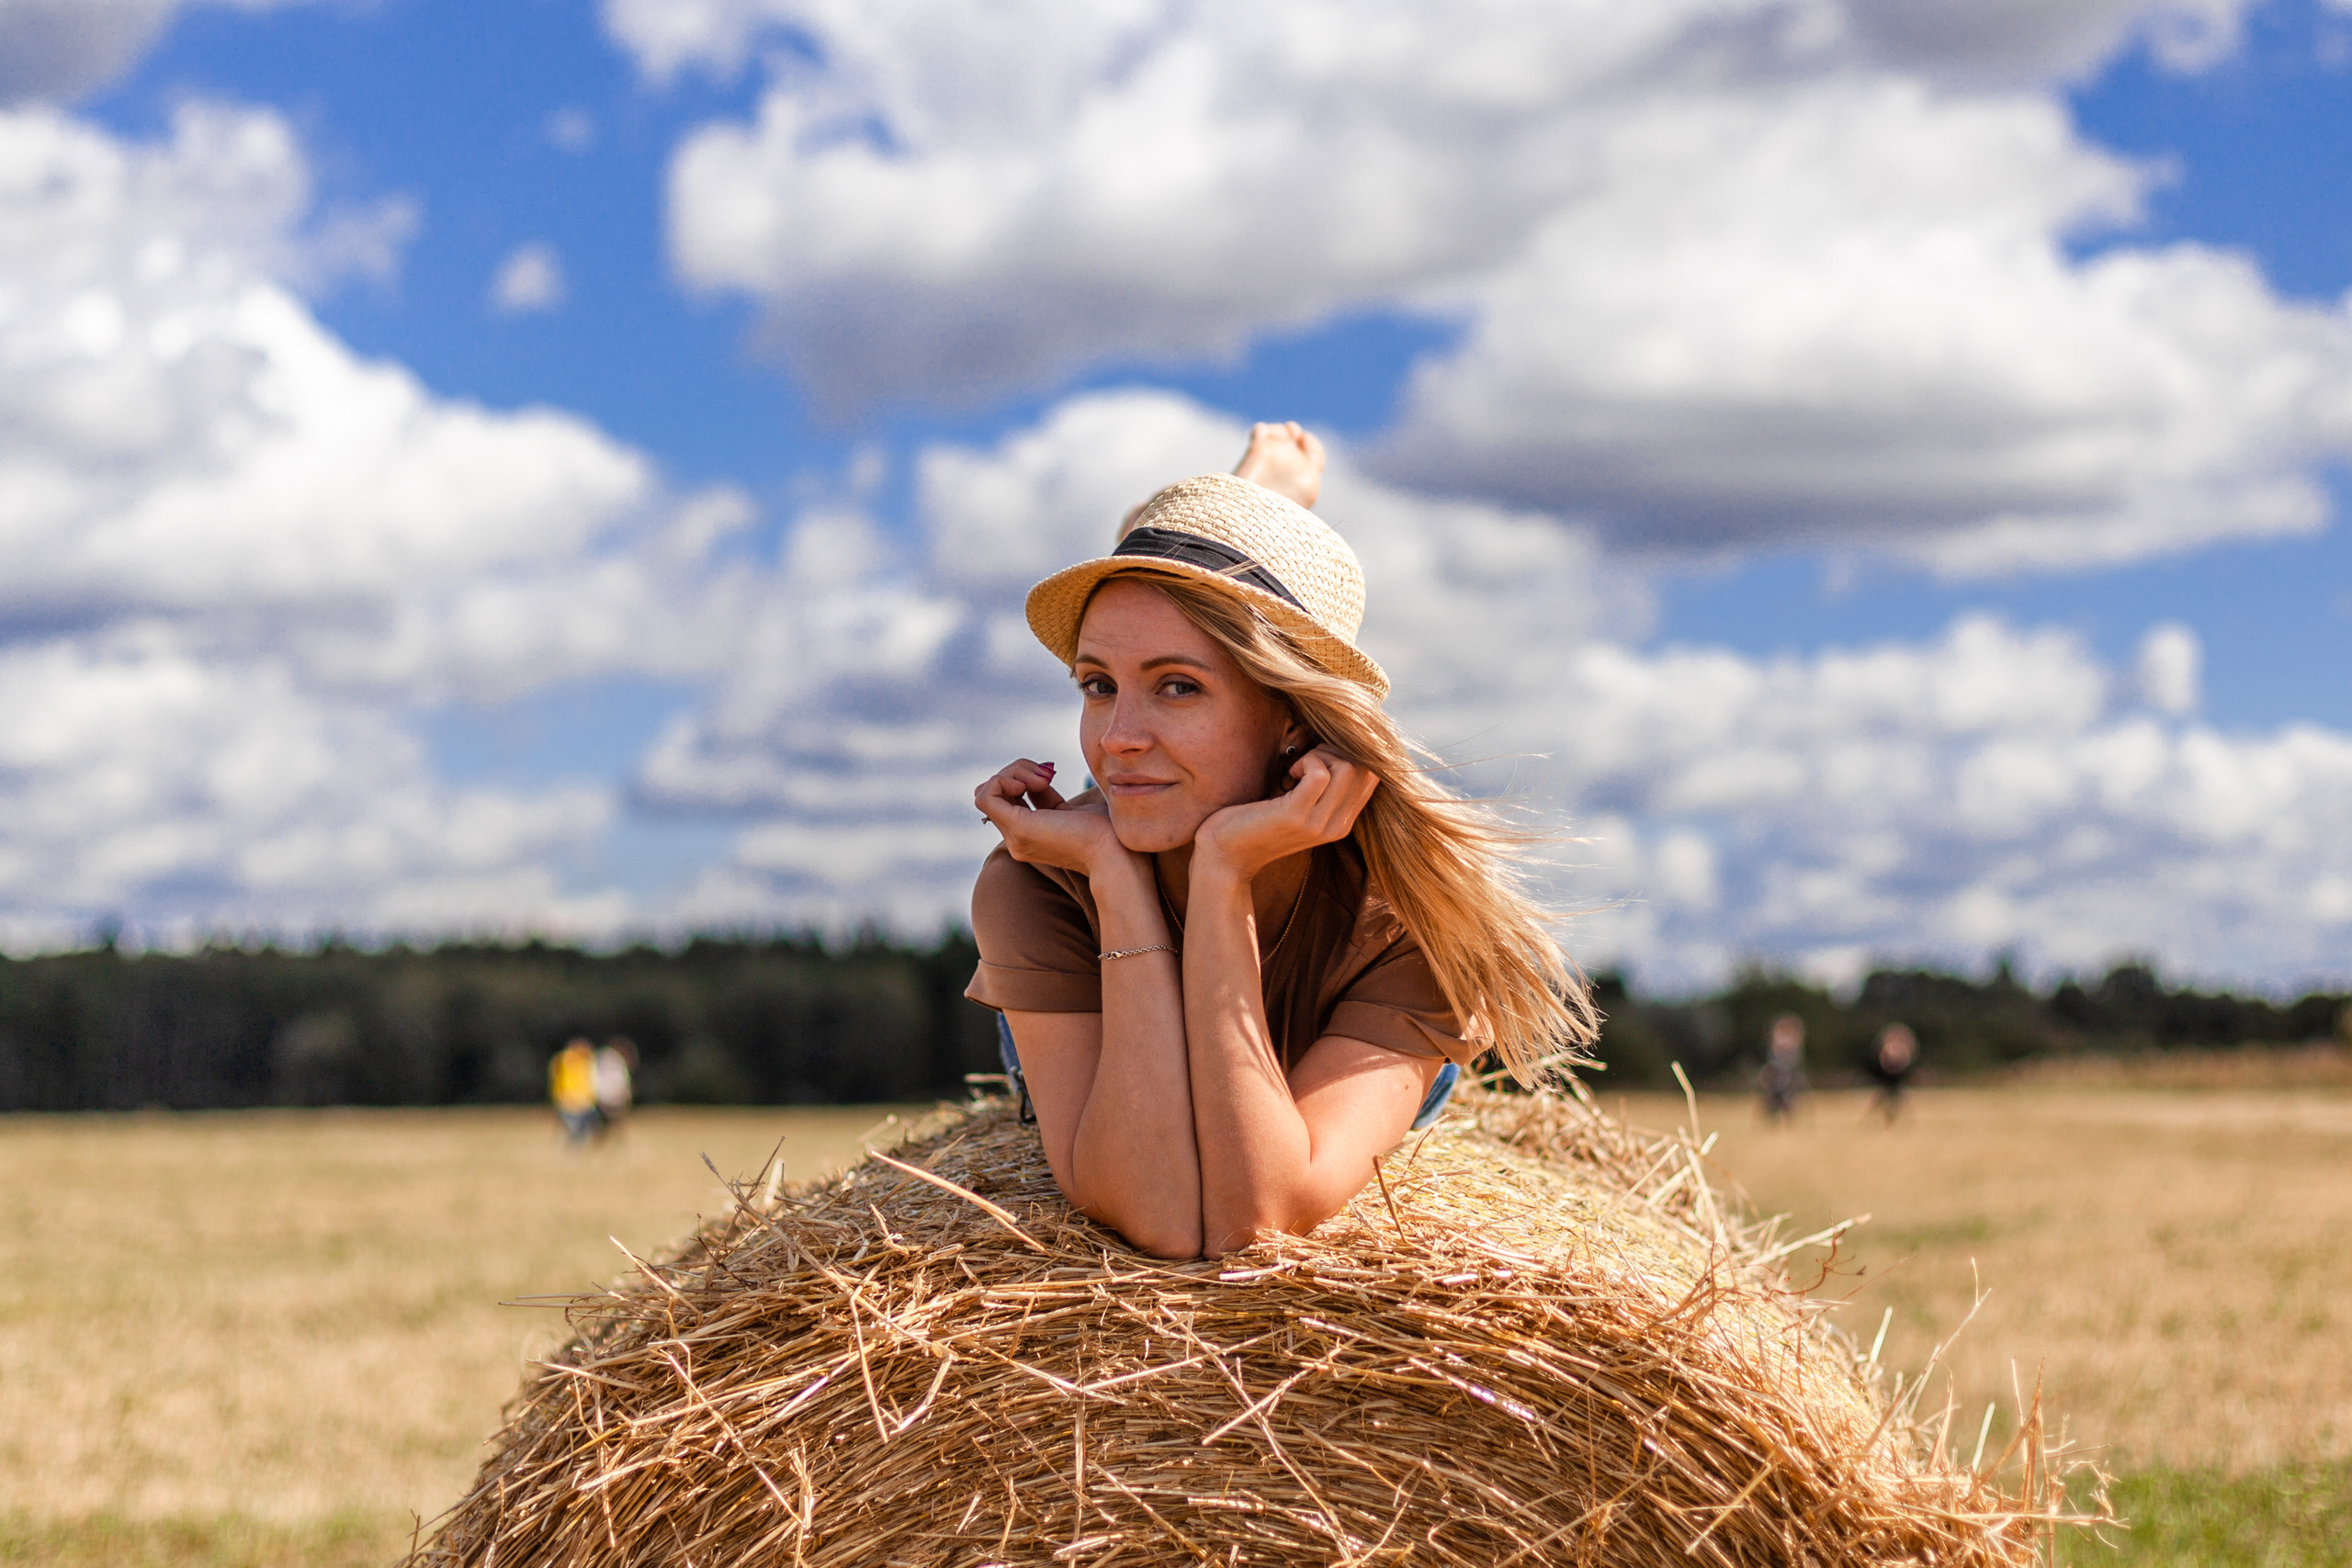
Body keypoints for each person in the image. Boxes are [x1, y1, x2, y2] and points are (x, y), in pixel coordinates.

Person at [967, 422, 1597, 1260]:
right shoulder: (1046, 873)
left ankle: (1245, 503)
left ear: (1295, 712)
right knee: (1177, 591)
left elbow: (1253, 1216)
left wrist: (1223, 873)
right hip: (1104, 970)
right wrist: (1116, 880)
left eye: (1178, 687)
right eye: (1097, 684)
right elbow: (1153, 1213)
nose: (1116, 737)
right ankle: (1239, 509)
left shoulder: (1410, 915)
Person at [548, 1037, 599, 1148]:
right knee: (573, 1127)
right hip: (571, 1098)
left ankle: (574, 1146)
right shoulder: (566, 1060)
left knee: (583, 1127)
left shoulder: (585, 1062)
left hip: (582, 1099)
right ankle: (570, 1147)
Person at [1758, 1014, 1806, 1124]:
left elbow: (1794, 1060)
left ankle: (1787, 1113)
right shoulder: (1778, 1040)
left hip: (1788, 1073)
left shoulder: (1791, 1041)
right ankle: (1773, 1112)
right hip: (1777, 1072)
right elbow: (1773, 1059)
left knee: (1788, 1092)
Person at [1867, 1021, 1917, 1123]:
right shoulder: (1892, 1051)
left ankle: (1885, 1115)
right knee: (1889, 1095)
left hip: (1893, 1077)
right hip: (1890, 1076)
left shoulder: (1893, 1051)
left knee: (1892, 1096)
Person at [593, 1036, 638, 1139]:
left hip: (602, 1096)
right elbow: (621, 1080)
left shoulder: (600, 1057)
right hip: (614, 1097)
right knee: (616, 1123)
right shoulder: (618, 1060)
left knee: (603, 1125)